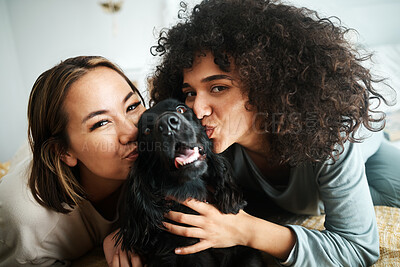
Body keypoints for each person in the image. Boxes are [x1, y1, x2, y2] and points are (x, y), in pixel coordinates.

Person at [147, 0, 400, 266]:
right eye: (189, 93)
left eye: (219, 88)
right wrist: (118, 233)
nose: (197, 109)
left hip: (369, 151)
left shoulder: (331, 133)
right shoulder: (204, 147)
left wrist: (245, 230)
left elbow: (358, 248)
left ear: (266, 84)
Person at [0, 56, 146, 266]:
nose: (132, 132)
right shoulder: (26, 221)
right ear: (63, 151)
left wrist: (128, 229)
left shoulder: (154, 144)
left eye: (132, 106)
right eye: (101, 123)